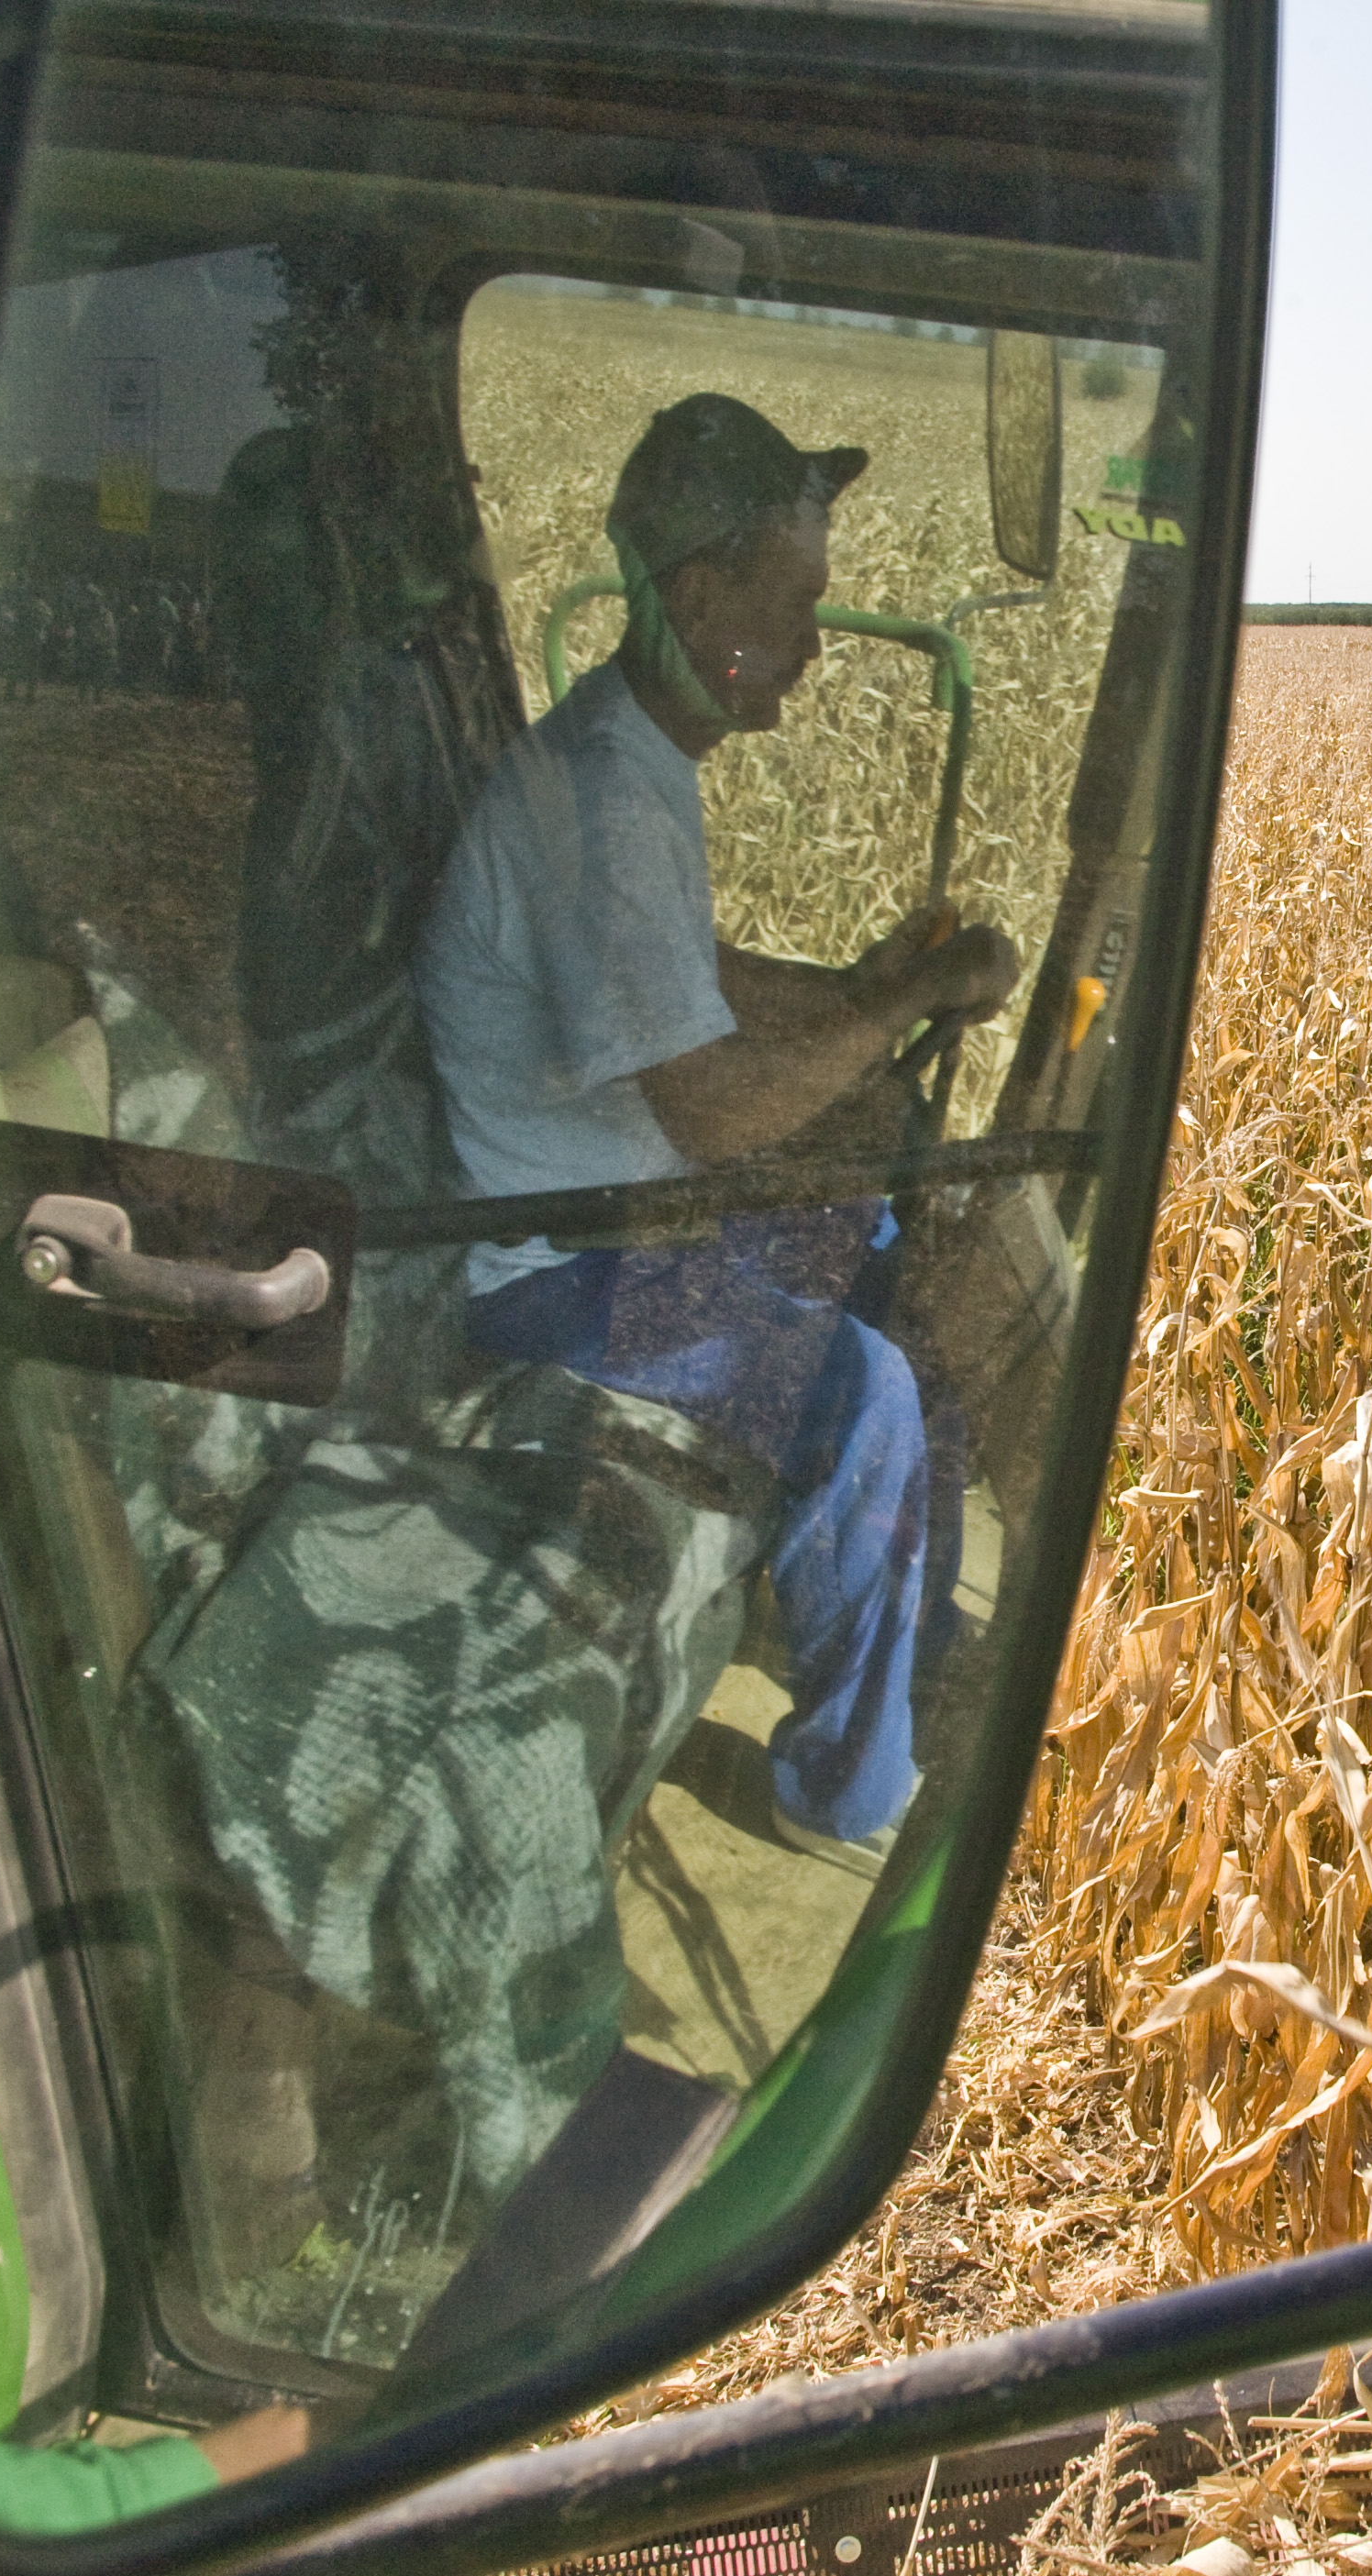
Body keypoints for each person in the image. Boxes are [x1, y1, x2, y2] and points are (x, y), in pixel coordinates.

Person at [414, 392, 1019, 1864]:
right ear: (699, 595)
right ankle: (847, 1797)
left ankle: (908, 1638)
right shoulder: (610, 799)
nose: (813, 642)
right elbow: (704, 1105)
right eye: (795, 601)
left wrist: (860, 989)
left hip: (600, 1215)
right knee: (863, 1393)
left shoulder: (627, 762)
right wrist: (898, 1009)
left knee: (879, 1246)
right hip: (544, 1271)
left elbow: (697, 980)